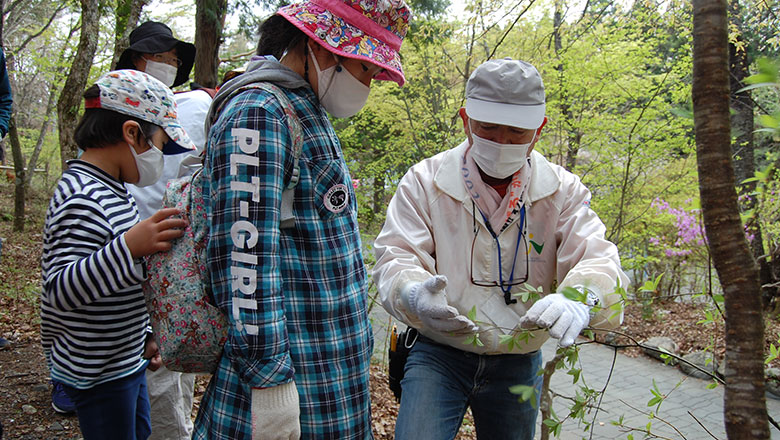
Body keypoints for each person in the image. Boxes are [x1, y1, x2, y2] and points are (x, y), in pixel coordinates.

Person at [372, 58, 629, 440]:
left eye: (516, 131)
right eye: (488, 128)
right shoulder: (424, 181)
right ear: (465, 120)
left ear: (539, 130)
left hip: (519, 358)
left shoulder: (562, 191)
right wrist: (413, 293)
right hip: (438, 352)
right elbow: (397, 255)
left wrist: (579, 296)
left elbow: (596, 255)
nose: (501, 142)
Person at [192, 0, 411, 438]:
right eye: (366, 69)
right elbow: (245, 257)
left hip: (328, 380)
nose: (368, 83)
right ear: (323, 47)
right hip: (288, 385)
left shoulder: (302, 107)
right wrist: (269, 382)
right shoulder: (260, 113)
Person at [40, 69, 195, 440]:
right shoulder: (81, 197)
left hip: (125, 356)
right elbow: (59, 291)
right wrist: (129, 247)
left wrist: (145, 333)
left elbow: (123, 282)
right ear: (130, 132)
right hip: (97, 368)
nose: (159, 155)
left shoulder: (114, 189)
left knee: (138, 432)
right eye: (158, 143)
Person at [117, 21, 205, 440]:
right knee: (147, 371)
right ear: (138, 59)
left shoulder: (188, 109)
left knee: (171, 365)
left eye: (174, 61)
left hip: (171, 255)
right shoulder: (112, 110)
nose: (169, 66)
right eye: (163, 58)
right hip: (124, 249)